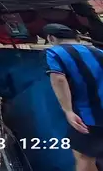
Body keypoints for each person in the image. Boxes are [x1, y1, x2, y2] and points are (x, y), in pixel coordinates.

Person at [44, 23, 103, 171]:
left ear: (51, 38)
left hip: (87, 115)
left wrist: (68, 111)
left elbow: (59, 79)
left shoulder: (55, 52)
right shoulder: (98, 51)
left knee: (84, 157)